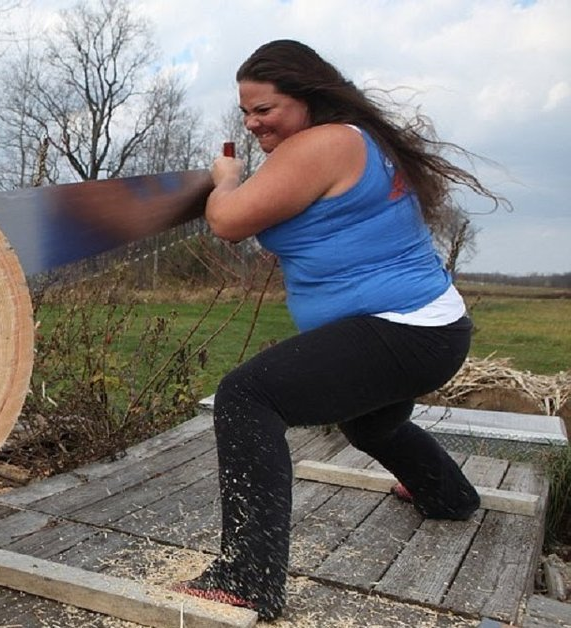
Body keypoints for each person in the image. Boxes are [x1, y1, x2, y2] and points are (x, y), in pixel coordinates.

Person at [171, 40, 505, 620]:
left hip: (405, 329)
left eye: (264, 110)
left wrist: (226, 178)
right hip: (431, 327)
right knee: (370, 422)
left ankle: (248, 577)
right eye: (245, 112)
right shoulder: (355, 138)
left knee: (249, 396)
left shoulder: (323, 144)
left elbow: (226, 221)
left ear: (308, 98)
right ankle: (448, 495)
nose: (251, 123)